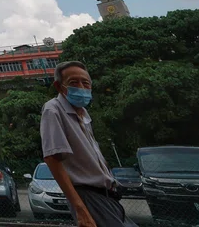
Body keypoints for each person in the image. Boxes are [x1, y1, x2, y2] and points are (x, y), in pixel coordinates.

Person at [40, 61, 137, 227]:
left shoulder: (83, 114)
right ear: (59, 86)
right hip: (89, 197)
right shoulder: (53, 110)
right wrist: (80, 209)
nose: (81, 87)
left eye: (85, 83)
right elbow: (52, 158)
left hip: (107, 196)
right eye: (73, 83)